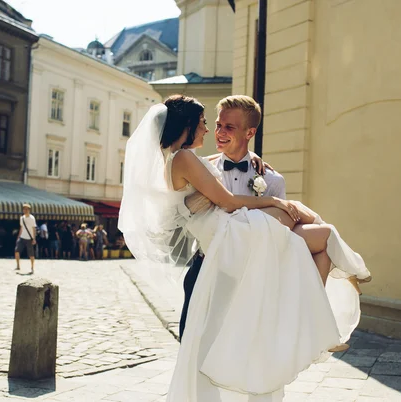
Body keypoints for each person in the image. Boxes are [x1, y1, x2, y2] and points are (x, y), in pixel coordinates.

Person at [119, 95, 371, 401]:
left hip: (241, 246)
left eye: (227, 126)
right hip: (224, 249)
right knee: (200, 344)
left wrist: (267, 191)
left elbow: (206, 199)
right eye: (209, 124)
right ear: (188, 126)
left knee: (317, 233)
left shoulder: (258, 172)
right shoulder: (192, 161)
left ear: (249, 133)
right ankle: (336, 291)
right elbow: (220, 201)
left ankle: (317, 311)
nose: (213, 132)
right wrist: (271, 200)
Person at [15, 204, 37, 274]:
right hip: (22, 237)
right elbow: (21, 228)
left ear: (29, 210)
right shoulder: (22, 218)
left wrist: (34, 238)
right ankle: (18, 265)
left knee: (31, 254)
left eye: (27, 209)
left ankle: (32, 267)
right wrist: (18, 236)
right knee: (17, 250)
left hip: (29, 238)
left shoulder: (32, 218)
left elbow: (34, 228)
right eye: (24, 209)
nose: (25, 210)